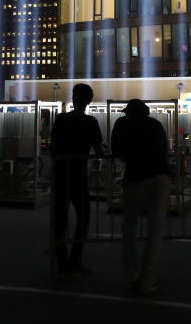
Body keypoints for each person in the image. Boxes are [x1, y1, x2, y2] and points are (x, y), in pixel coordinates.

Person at [111, 98, 170, 295]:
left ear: (128, 112)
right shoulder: (156, 124)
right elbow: (164, 150)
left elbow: (117, 151)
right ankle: (148, 279)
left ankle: (133, 274)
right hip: (160, 177)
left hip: (135, 178)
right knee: (155, 229)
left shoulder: (122, 124)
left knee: (129, 226)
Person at [50, 83, 103, 276]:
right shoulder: (91, 122)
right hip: (78, 176)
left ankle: (61, 259)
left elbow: (53, 147)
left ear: (73, 98)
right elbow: (98, 151)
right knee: (84, 216)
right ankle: (74, 259)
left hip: (60, 173)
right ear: (89, 100)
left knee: (60, 219)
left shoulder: (61, 119)